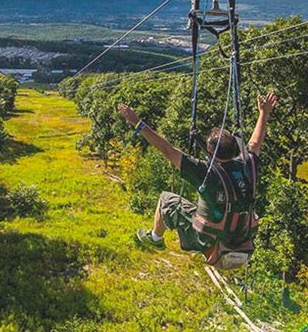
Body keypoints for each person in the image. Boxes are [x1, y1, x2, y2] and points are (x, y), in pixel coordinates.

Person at [117, 92, 277, 254]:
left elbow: (167, 150)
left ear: (209, 151)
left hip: (209, 239)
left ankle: (155, 238)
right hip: (241, 237)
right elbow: (255, 142)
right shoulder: (246, 165)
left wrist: (137, 123)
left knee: (166, 199)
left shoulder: (205, 172)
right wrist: (264, 113)